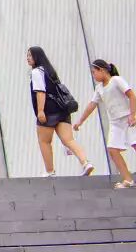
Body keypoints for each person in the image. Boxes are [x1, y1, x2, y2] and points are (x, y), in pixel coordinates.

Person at [27, 46, 94, 176]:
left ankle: (50, 171)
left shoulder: (36, 72)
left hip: (48, 110)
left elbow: (41, 92)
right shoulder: (50, 71)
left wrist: (40, 111)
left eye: (30, 55)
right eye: (27, 56)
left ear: (37, 57)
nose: (28, 58)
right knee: (68, 140)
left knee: (44, 141)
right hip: (62, 109)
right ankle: (85, 163)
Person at [75, 59, 136, 189]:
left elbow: (132, 96)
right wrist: (80, 122)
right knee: (112, 149)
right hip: (116, 122)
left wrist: (132, 115)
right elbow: (92, 105)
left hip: (128, 118)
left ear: (102, 70)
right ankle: (128, 180)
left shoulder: (116, 80)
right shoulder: (99, 89)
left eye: (94, 72)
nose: (93, 75)